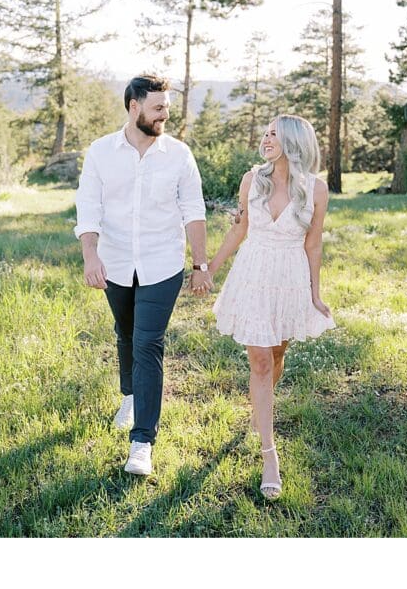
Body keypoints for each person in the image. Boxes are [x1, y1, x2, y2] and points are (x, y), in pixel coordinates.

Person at [74, 74, 211, 477]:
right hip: (114, 262)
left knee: (149, 343)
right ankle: (130, 394)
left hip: (161, 263)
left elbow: (194, 210)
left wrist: (200, 265)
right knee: (126, 332)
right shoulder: (101, 152)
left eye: (167, 107)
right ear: (134, 107)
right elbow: (88, 207)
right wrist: (90, 255)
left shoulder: (179, 155)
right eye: (158, 108)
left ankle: (142, 442)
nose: (164, 114)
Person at [209, 114, 334, 500]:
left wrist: (315, 295)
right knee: (260, 361)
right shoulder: (252, 179)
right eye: (264, 133)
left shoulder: (316, 189)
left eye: (273, 134)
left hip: (289, 279)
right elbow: (239, 228)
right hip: (253, 273)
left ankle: (258, 410)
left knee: (276, 355)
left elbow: (313, 245)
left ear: (294, 142)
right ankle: (269, 454)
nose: (265, 139)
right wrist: (208, 268)